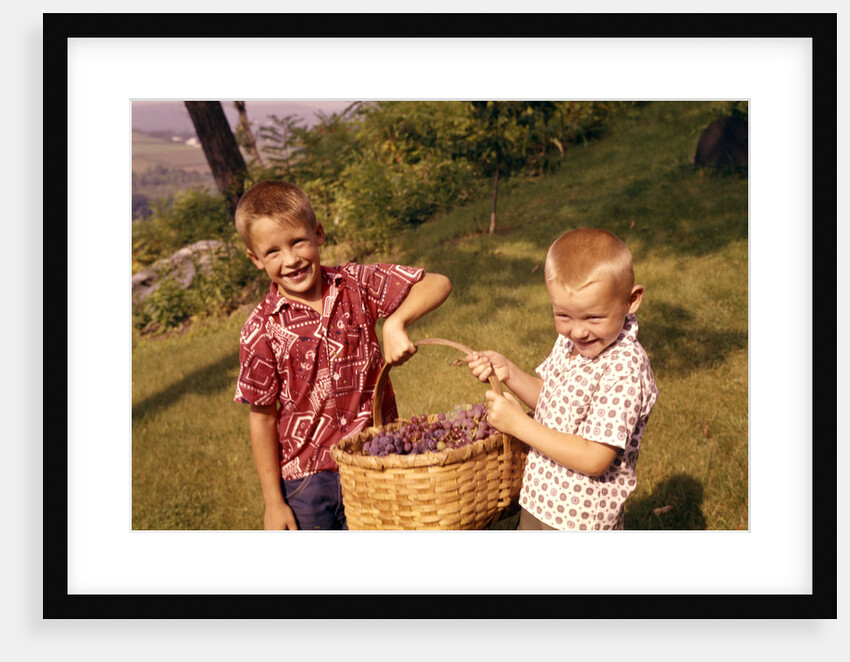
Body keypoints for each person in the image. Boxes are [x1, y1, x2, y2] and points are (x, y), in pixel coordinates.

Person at [233, 180, 452, 530]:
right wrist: (274, 502)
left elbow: (438, 283)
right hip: (308, 482)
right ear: (255, 259)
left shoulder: (356, 285)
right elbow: (262, 418)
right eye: (273, 252)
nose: (290, 260)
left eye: (298, 241)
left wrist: (394, 323)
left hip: (375, 459)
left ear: (318, 233)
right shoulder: (260, 328)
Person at [466, 228, 657, 530]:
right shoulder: (570, 341)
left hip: (579, 517)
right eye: (563, 316)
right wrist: (510, 373)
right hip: (538, 497)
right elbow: (552, 398)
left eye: (593, 317)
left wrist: (519, 425)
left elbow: (594, 457)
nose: (578, 330)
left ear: (631, 300)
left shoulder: (625, 369)